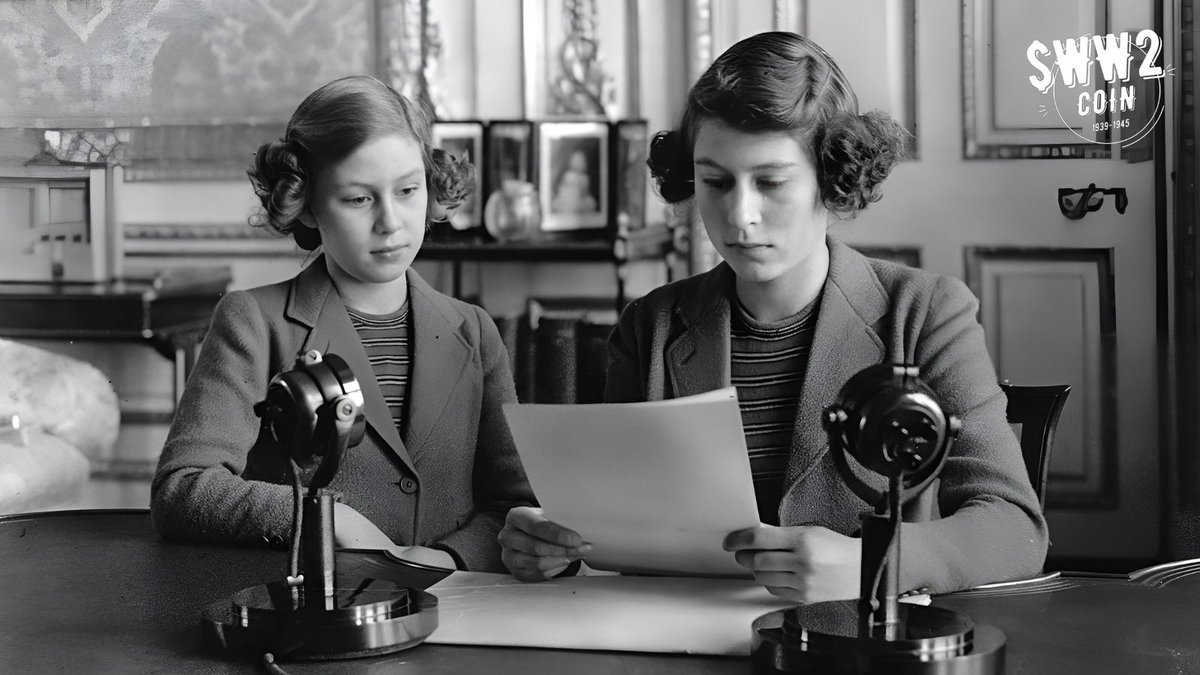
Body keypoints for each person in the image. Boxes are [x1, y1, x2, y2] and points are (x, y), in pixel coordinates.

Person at [498, 31, 1048, 599]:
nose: (740, 215)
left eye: (771, 182)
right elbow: (611, 527)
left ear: (833, 180)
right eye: (715, 182)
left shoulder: (926, 312)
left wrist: (872, 564)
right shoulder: (649, 326)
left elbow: (1013, 528)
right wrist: (552, 548)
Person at [152, 76, 533, 572]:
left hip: (455, 610)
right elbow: (183, 488)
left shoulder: (475, 330)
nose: (391, 222)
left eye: (408, 190)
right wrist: (326, 521)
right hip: (314, 614)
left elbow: (512, 508)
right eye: (358, 199)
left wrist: (447, 558)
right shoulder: (253, 320)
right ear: (307, 203)